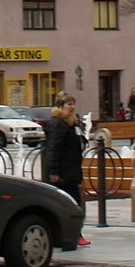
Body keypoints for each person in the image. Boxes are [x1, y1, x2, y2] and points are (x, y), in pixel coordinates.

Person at [39, 96, 90, 247]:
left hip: (70, 172)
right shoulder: (58, 124)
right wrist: (54, 172)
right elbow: (54, 149)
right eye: (69, 104)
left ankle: (70, 234)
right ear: (60, 106)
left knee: (71, 204)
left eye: (74, 104)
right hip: (63, 174)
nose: (72, 107)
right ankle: (73, 235)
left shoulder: (69, 123)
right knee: (71, 204)